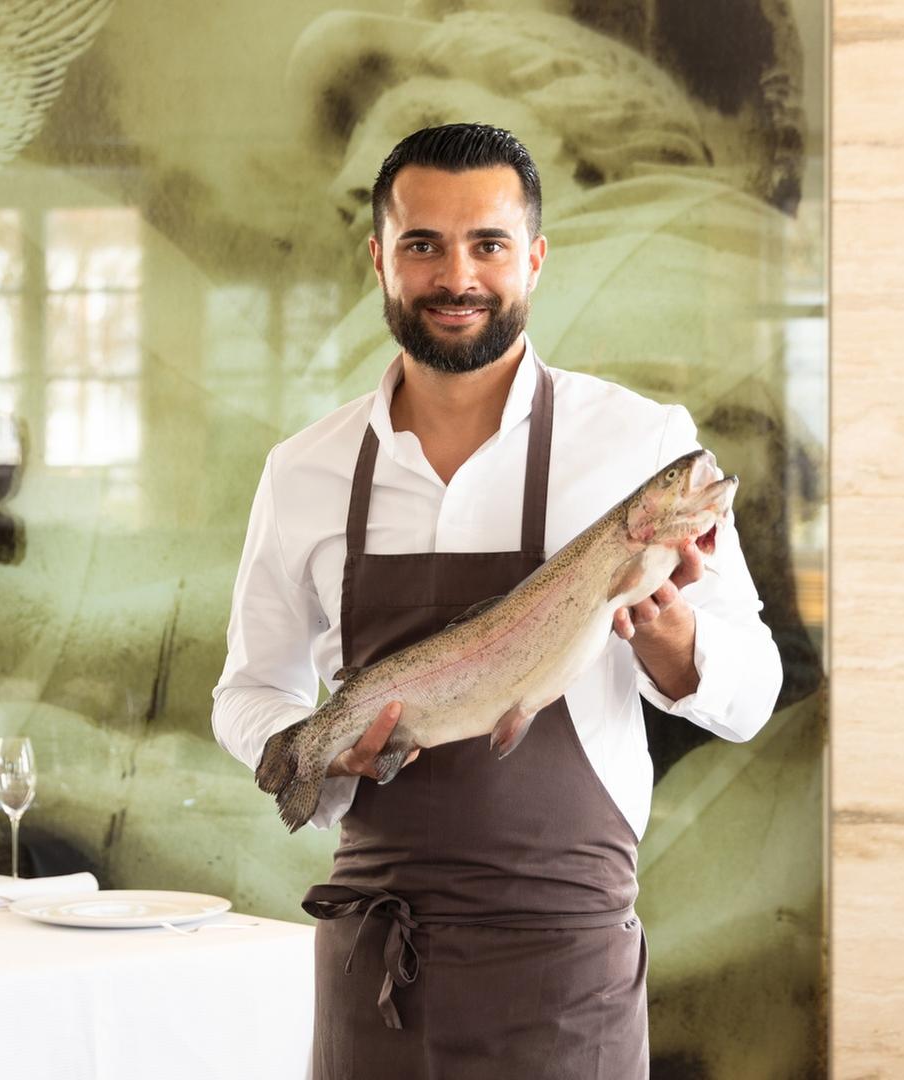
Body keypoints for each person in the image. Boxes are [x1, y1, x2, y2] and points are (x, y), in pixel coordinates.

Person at [211, 122, 783, 1078]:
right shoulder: (304, 470)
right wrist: (315, 748)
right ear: (380, 259)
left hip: (567, 966)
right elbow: (247, 691)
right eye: (422, 244)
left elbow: (753, 684)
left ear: (536, 257)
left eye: (489, 244)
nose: (457, 276)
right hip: (373, 952)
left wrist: (677, 644)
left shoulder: (639, 443)